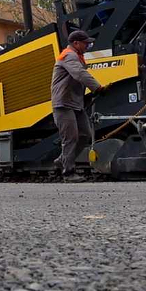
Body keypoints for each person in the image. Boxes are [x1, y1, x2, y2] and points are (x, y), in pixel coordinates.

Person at [51, 30, 103, 182]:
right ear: (76, 43)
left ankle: (62, 160)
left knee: (85, 134)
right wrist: (97, 87)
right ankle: (68, 173)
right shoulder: (69, 55)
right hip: (63, 103)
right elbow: (79, 74)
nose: (88, 45)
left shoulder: (77, 56)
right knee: (70, 137)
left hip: (74, 103)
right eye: (85, 43)